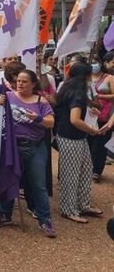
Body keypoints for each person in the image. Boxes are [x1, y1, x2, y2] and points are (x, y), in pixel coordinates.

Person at [0, 69, 57, 238]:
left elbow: (51, 122)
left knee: (38, 184)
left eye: (24, 81)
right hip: (12, 147)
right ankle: (4, 213)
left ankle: (45, 219)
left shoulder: (41, 101)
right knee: (10, 178)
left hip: (35, 147)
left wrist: (38, 119)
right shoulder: (8, 96)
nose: (20, 84)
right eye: (18, 81)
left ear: (33, 84)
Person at [54, 62, 105, 223]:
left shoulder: (70, 89)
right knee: (71, 174)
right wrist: (92, 131)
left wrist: (90, 108)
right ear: (87, 76)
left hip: (74, 136)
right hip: (71, 137)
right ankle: (68, 209)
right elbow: (75, 120)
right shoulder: (77, 94)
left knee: (85, 170)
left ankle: (82, 204)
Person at [89, 55, 114, 182]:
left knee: (100, 144)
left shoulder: (109, 78)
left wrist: (99, 96)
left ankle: (97, 171)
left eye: (96, 62)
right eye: (91, 62)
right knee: (89, 143)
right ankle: (88, 168)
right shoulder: (87, 77)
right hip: (89, 115)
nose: (93, 65)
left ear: (101, 63)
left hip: (105, 116)